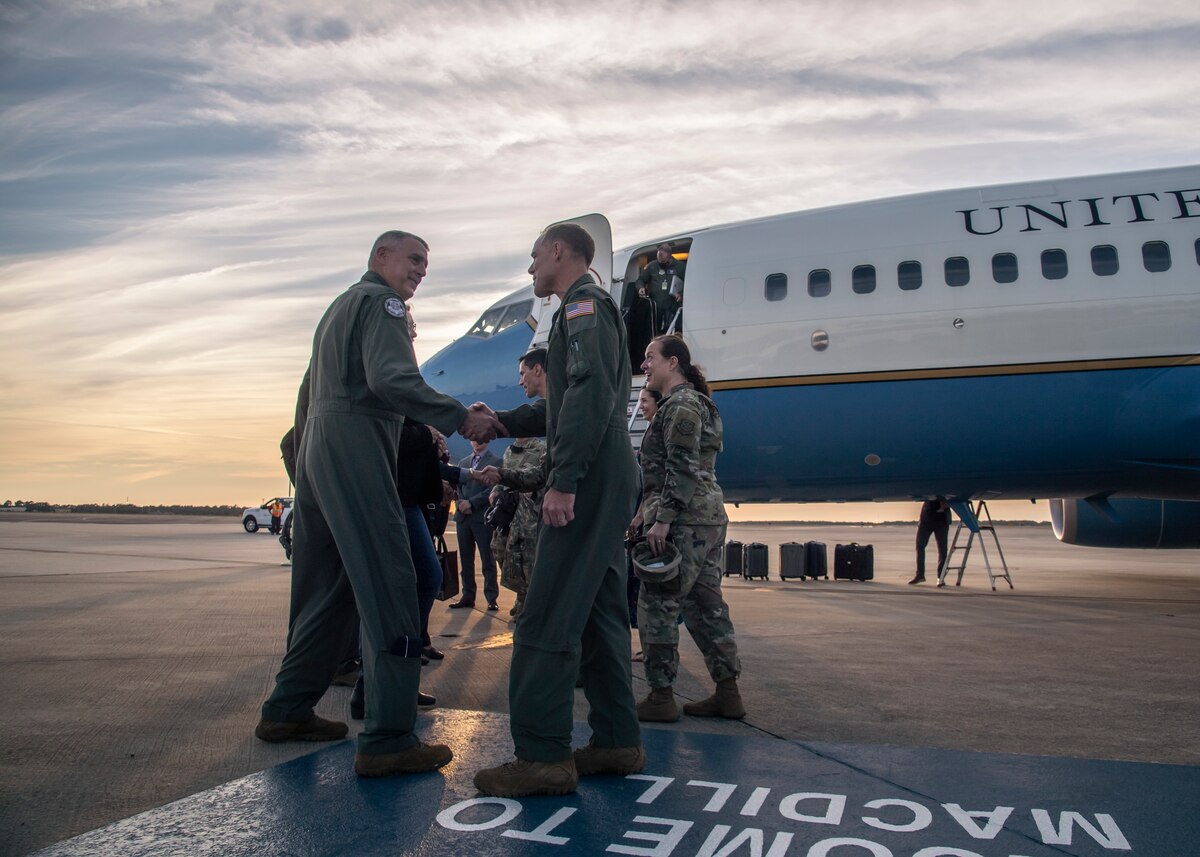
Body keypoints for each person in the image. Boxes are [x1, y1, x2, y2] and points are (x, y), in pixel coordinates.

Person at [254, 229, 502, 780]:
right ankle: (388, 737)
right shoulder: (383, 306)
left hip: (317, 458)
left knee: (327, 591)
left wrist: (307, 472)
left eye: (425, 264)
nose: (420, 271)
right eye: (414, 259)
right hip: (356, 454)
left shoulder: (338, 310)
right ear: (380, 257)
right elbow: (391, 380)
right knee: (393, 583)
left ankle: (287, 710)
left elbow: (305, 400)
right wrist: (458, 417)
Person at [472, 222, 643, 798]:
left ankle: (543, 756)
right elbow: (566, 404)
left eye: (533, 257)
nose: (530, 269)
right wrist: (503, 421)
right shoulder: (586, 307)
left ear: (558, 252)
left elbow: (590, 395)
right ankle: (617, 740)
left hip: (588, 475)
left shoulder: (582, 307)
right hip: (606, 471)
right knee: (599, 612)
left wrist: (563, 481)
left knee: (544, 616)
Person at [634, 334, 744, 723]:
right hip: (706, 518)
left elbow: (682, 466)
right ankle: (728, 693)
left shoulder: (681, 406)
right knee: (706, 607)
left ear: (673, 363)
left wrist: (663, 519)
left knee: (657, 607)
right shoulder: (696, 403)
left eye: (650, 357)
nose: (644, 365)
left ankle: (661, 696)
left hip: (684, 521)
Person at [478, 348, 549, 618]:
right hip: (515, 522)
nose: (520, 381)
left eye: (523, 374)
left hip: (536, 522)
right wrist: (499, 481)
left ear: (538, 370)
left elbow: (537, 476)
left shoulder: (558, 407)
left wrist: (490, 419)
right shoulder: (511, 451)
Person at [449, 439, 503, 610]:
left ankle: (491, 597)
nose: (477, 442)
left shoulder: (496, 462)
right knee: (466, 559)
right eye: (474, 439)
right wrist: (461, 503)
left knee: (487, 559)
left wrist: (472, 503)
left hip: (481, 517)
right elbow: (458, 486)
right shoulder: (463, 462)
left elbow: (493, 489)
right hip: (463, 517)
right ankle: (468, 595)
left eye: (481, 439)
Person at [636, 243, 685, 334]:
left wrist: (681, 294)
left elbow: (688, 283)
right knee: (655, 331)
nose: (661, 263)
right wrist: (641, 288)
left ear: (670, 256)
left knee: (670, 331)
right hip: (656, 307)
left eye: (663, 261)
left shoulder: (680, 266)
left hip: (672, 306)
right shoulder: (652, 266)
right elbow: (641, 279)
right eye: (659, 260)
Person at [911, 498, 952, 585]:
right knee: (920, 546)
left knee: (942, 549)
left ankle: (940, 577)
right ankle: (920, 575)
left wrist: (947, 504)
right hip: (927, 519)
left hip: (941, 520)